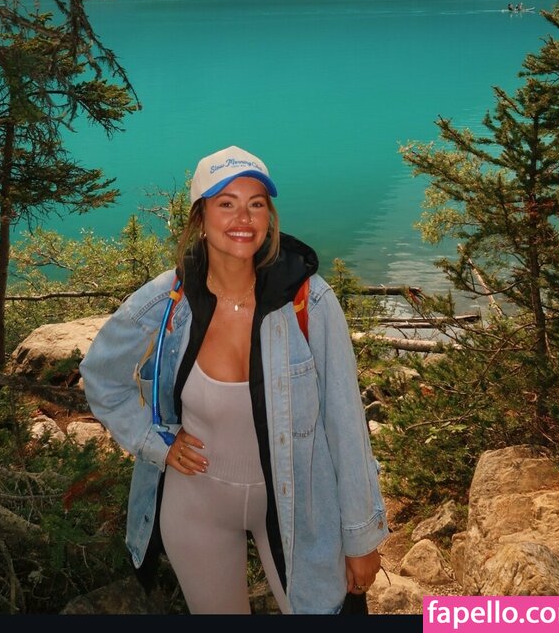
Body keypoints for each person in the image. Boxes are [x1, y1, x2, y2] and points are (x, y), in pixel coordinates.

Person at [79, 144, 388, 615]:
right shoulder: (168, 300)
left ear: (269, 218)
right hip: (196, 506)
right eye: (226, 203)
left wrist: (361, 536)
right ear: (201, 217)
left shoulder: (306, 301)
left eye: (256, 204)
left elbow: (345, 423)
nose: (243, 218)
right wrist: (155, 443)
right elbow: (101, 376)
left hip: (300, 510)